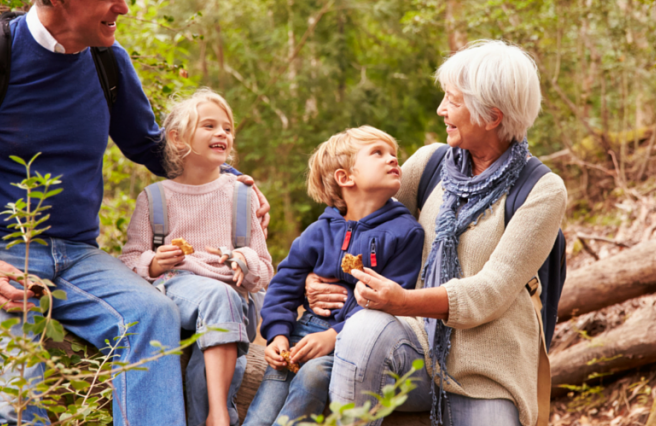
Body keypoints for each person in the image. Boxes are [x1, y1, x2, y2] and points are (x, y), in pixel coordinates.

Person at [0, 0, 268, 425]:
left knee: (153, 315)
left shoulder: (108, 63)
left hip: (78, 256)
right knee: (12, 406)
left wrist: (229, 180)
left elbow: (151, 147)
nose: (123, 7)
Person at [307, 41, 566, 426]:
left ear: (491, 116)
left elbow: (490, 292)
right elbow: (357, 220)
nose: (441, 110)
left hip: (486, 374)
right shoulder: (430, 163)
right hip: (414, 346)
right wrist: (316, 272)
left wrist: (403, 300)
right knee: (363, 329)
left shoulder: (542, 190)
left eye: (452, 101)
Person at [242, 126, 425, 426]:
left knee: (313, 376)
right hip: (302, 331)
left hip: (354, 342)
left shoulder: (405, 233)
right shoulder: (320, 231)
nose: (392, 159)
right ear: (345, 178)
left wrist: (334, 335)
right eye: (378, 153)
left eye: (393, 153)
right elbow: (285, 284)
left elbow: (391, 300)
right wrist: (277, 335)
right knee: (266, 399)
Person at [120, 89, 273, 426]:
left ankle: (209, 414)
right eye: (209, 126)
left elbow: (264, 271)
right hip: (176, 287)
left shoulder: (241, 196)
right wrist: (157, 262)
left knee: (224, 297)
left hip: (235, 301)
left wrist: (244, 260)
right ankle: (218, 415)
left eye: (228, 129)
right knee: (218, 296)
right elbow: (130, 260)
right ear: (177, 138)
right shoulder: (155, 197)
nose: (222, 133)